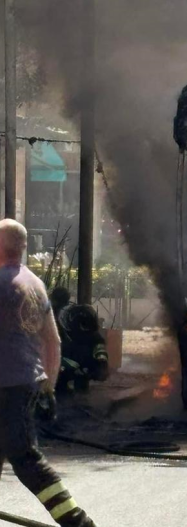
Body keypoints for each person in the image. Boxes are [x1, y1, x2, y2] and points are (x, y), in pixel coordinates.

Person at [0, 219, 96, 527]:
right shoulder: (34, 285)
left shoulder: (2, 283)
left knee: (26, 458)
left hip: (7, 387)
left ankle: (77, 522)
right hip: (27, 384)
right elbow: (52, 342)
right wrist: (49, 389)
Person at [55, 303, 109, 393]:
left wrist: (102, 364)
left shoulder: (95, 337)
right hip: (62, 374)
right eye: (83, 325)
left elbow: (100, 350)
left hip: (83, 370)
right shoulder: (58, 338)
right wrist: (73, 368)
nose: (85, 331)